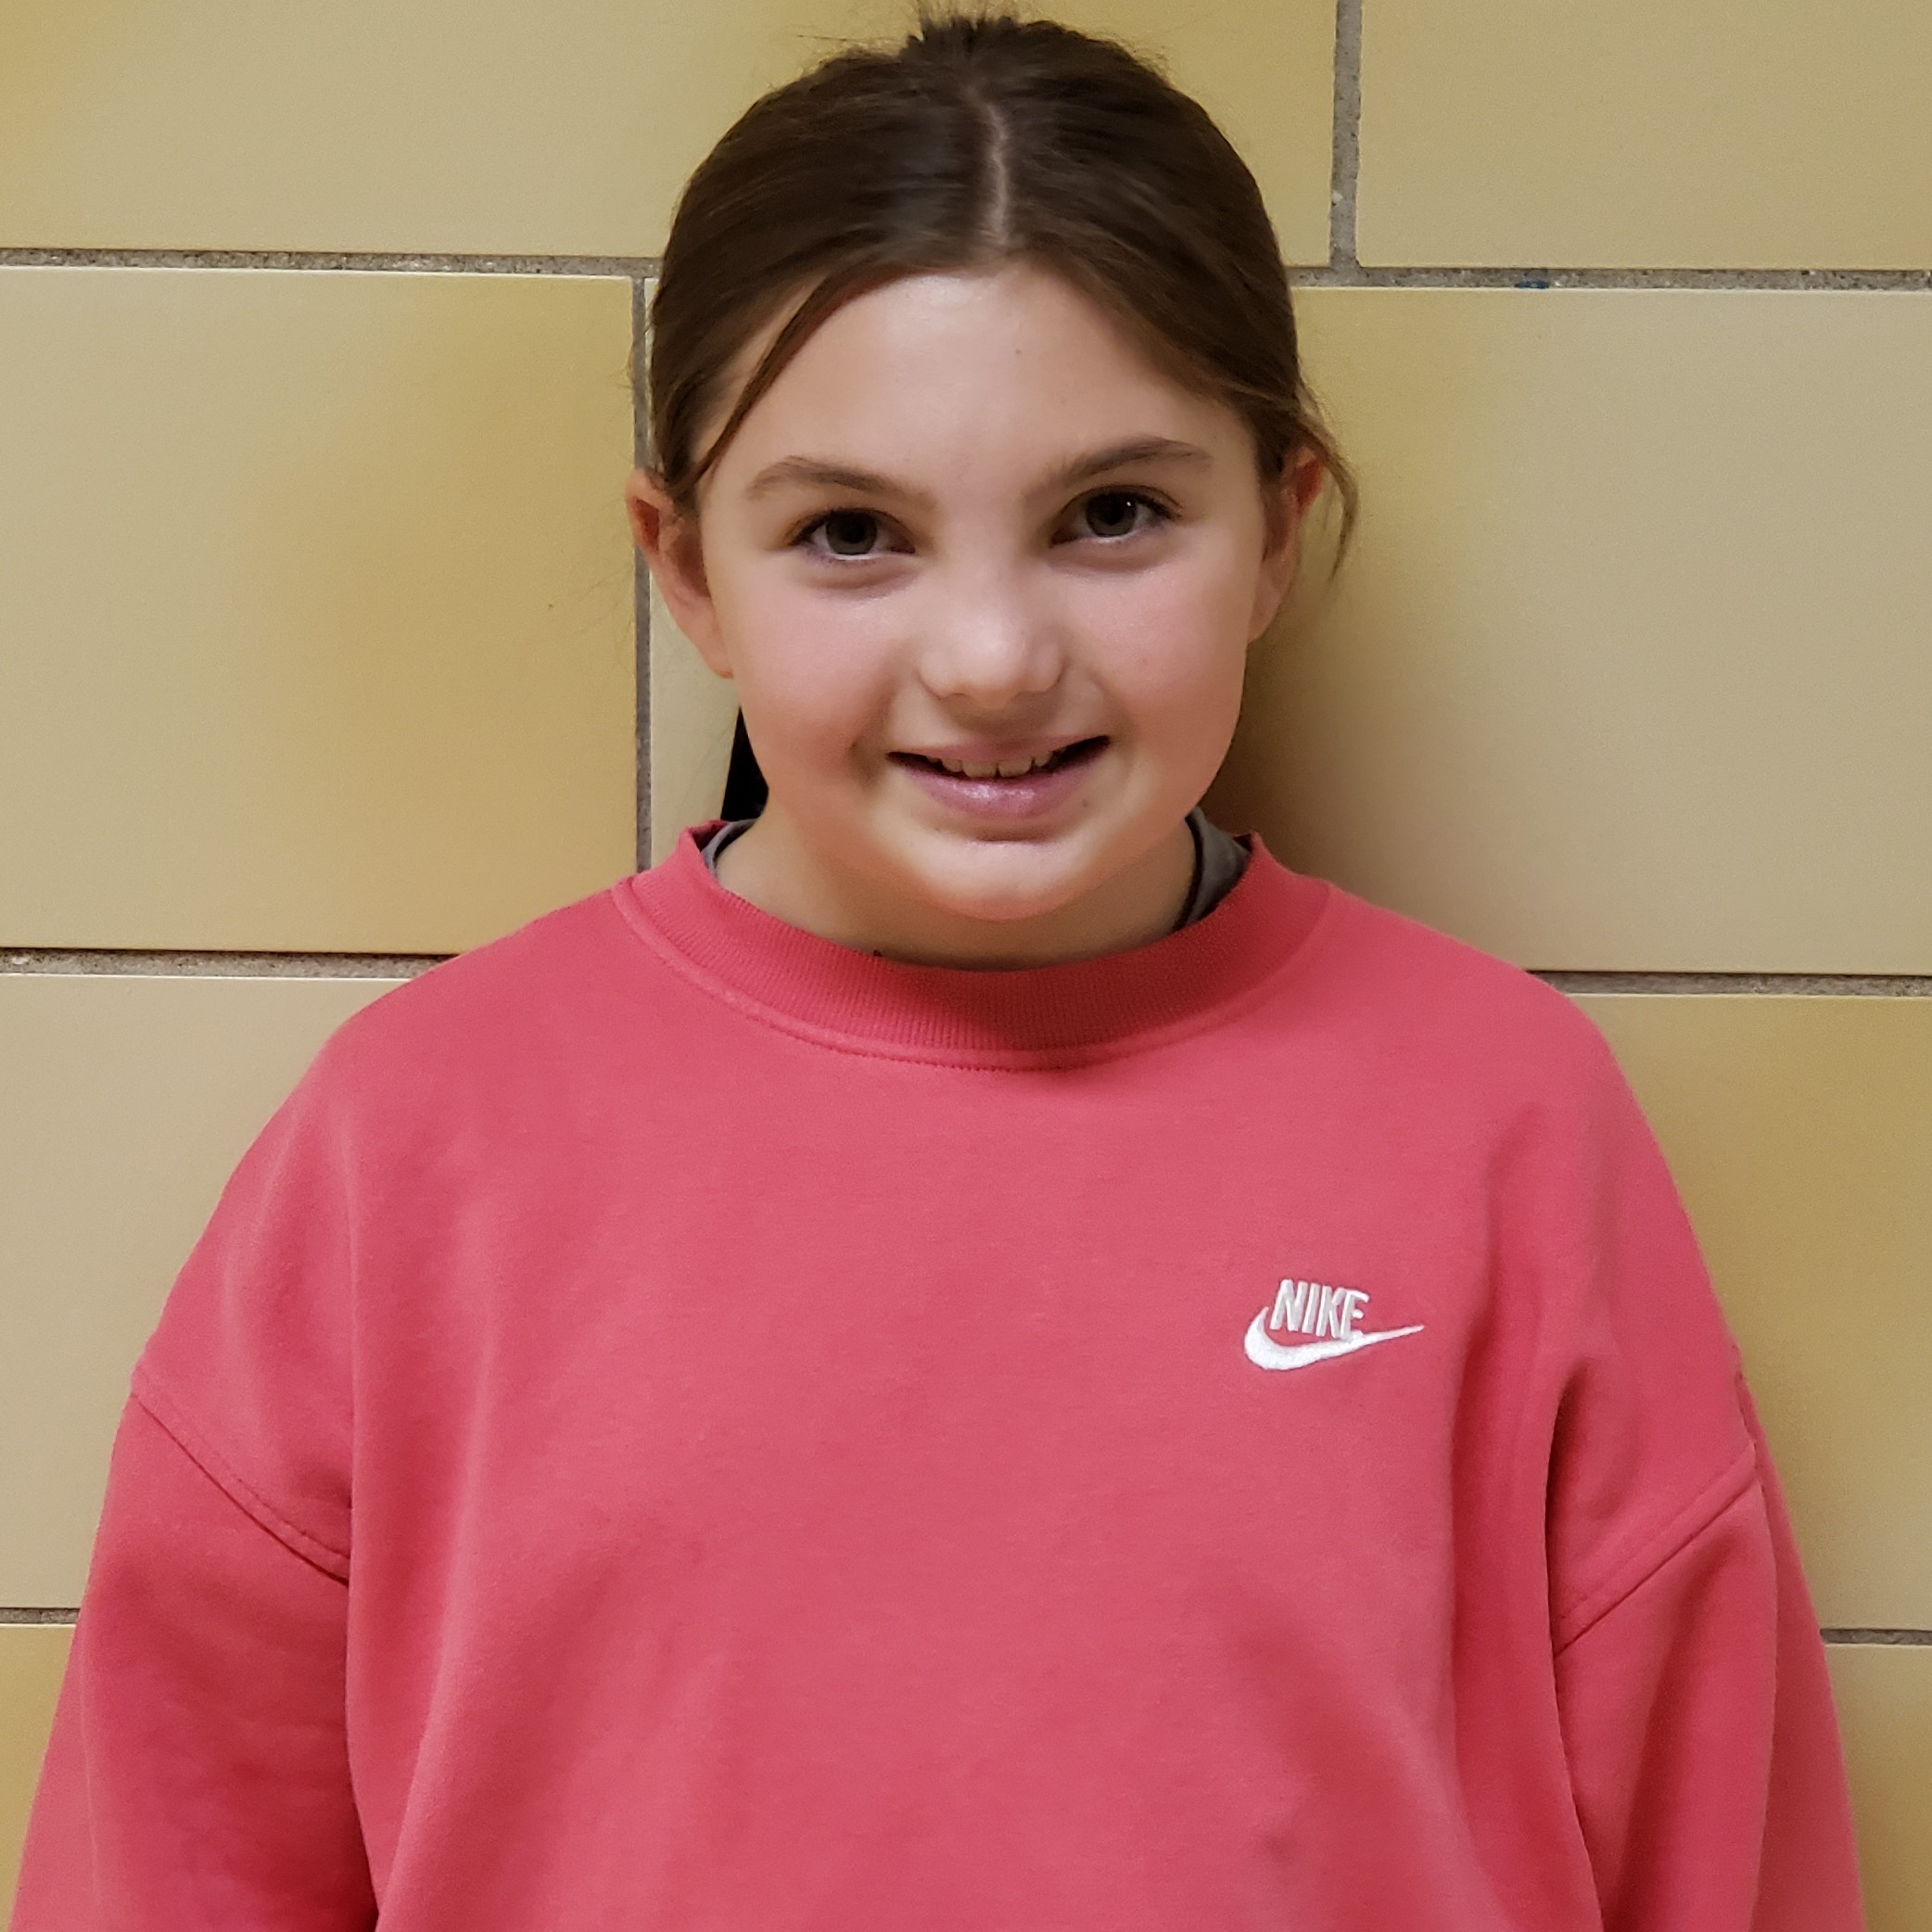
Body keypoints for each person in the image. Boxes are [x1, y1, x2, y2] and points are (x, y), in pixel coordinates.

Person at [13, 11, 1864, 1929]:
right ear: (686, 571)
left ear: (1277, 527)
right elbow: (171, 1857)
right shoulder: (414, 1144)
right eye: (849, 533)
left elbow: (1723, 1855)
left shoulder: (1507, 1124)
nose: (988, 655)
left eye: (1113, 514)